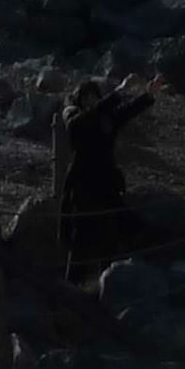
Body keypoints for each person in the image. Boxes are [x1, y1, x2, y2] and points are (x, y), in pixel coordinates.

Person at [58, 80, 156, 273]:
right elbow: (81, 123)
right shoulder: (74, 115)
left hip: (106, 182)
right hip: (83, 184)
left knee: (110, 233)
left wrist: (148, 95)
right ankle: (73, 285)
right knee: (81, 237)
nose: (90, 100)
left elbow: (127, 111)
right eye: (85, 97)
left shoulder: (105, 117)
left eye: (93, 96)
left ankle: (107, 281)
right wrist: (117, 93)